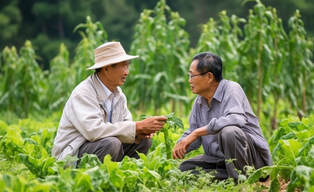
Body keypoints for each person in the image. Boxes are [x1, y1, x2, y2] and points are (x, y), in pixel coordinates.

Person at [52, 42, 167, 165]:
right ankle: (96, 178)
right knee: (112, 143)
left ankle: (122, 175)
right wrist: (136, 127)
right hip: (73, 154)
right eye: (123, 66)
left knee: (143, 141)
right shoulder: (83, 93)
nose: (127, 72)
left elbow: (126, 125)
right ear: (106, 68)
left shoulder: (118, 95)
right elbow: (93, 131)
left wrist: (140, 133)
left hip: (104, 146)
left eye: (128, 66)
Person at [172, 52, 272, 181]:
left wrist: (197, 132)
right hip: (221, 160)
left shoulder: (232, 89)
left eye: (192, 76)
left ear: (209, 77)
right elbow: (193, 132)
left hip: (250, 160)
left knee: (229, 132)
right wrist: (181, 145)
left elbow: (236, 119)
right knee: (185, 168)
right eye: (189, 76)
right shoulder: (199, 101)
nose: (189, 80)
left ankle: (242, 181)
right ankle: (236, 178)